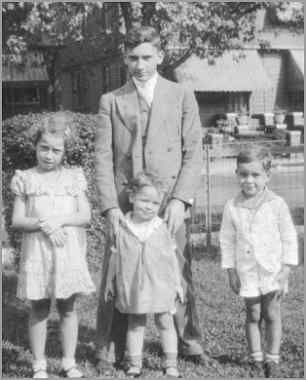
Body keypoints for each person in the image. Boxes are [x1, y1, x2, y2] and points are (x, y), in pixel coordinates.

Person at [94, 25, 204, 374]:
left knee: (178, 272)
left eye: (146, 57)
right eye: (132, 58)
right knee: (117, 273)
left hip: (167, 201)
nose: (139, 65)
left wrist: (180, 200)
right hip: (126, 204)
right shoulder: (111, 100)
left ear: (160, 56)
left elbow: (193, 152)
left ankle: (189, 342)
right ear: (125, 59)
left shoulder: (181, 95)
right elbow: (102, 158)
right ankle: (108, 347)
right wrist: (111, 206)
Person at [10, 112, 95, 378]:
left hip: (67, 251)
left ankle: (69, 361)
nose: (48, 155)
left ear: (64, 152)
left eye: (56, 150)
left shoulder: (73, 177)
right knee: (39, 307)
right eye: (43, 148)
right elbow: (18, 220)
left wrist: (58, 220)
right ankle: (39, 363)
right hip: (39, 252)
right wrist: (46, 224)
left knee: (68, 307)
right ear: (35, 146)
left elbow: (85, 216)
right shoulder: (26, 178)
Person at [219, 146, 298, 378]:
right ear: (236, 174)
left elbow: (289, 237)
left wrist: (286, 269)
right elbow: (226, 240)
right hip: (247, 271)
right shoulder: (232, 206)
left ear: (267, 176)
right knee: (252, 314)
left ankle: (272, 357)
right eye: (243, 174)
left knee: (272, 313)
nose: (249, 180)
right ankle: (256, 356)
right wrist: (231, 271)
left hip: (273, 271)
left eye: (255, 175)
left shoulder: (277, 204)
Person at [105, 172, 184, 377]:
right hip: (133, 284)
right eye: (144, 200)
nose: (149, 206)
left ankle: (171, 363)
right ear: (131, 197)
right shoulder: (122, 227)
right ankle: (135, 363)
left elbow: (172, 258)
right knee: (136, 322)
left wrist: (177, 284)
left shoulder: (162, 227)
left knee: (165, 321)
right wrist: (109, 282)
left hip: (161, 283)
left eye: (155, 203)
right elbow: (115, 258)